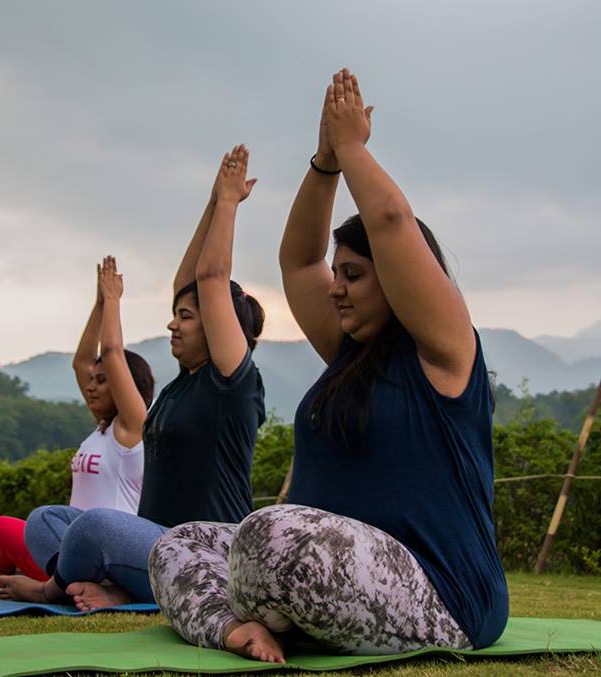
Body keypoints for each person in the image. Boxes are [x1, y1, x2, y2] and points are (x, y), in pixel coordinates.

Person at [148, 69, 508, 663]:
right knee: (179, 543)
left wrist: (353, 147)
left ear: (395, 280)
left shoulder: (446, 351)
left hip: (442, 597)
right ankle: (237, 628)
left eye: (355, 276)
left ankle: (269, 610)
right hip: (325, 569)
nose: (337, 290)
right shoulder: (348, 351)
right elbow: (297, 260)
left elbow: (390, 223)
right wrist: (323, 166)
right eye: (337, 275)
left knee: (270, 535)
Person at [0, 145, 266, 611]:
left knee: (95, 526)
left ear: (221, 327)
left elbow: (210, 276)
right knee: (43, 521)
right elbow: (190, 278)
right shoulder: (183, 382)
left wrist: (227, 205)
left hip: (205, 554)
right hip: (151, 546)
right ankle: (119, 587)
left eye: (185, 317)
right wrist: (212, 200)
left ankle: (51, 589)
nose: (172, 324)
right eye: (176, 314)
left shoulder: (231, 384)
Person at [0, 256, 155, 588]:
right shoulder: (103, 428)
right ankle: (21, 574)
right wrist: (98, 303)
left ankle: (35, 577)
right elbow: (81, 362)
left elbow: (112, 351)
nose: (91, 386)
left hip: (103, 550)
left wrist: (113, 302)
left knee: (0, 529)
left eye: (104, 380)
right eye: (94, 380)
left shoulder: (132, 430)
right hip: (62, 541)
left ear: (124, 386)